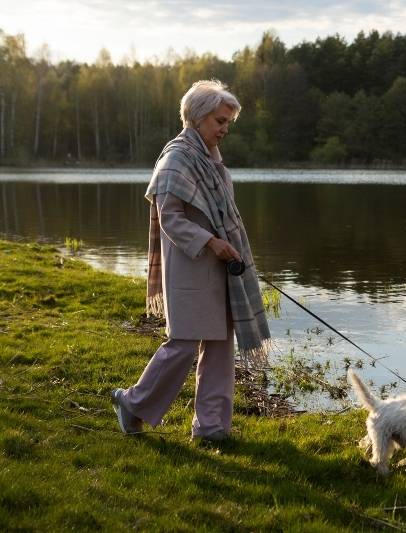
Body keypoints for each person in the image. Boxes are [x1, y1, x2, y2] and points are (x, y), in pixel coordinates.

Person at [112, 80, 270, 441]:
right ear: (197, 118)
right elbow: (171, 219)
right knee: (182, 345)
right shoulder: (177, 158)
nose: (225, 129)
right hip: (189, 267)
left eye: (228, 122)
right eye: (220, 121)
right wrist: (211, 242)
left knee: (218, 348)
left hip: (219, 269)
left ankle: (211, 428)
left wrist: (224, 246)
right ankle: (132, 403)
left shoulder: (211, 160)